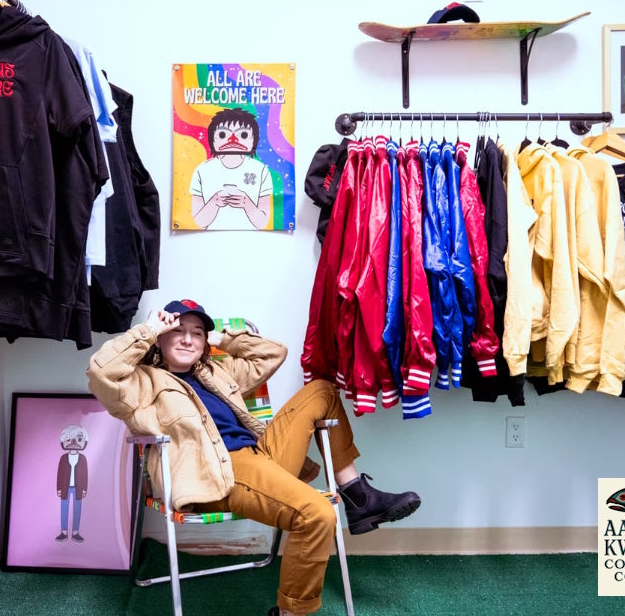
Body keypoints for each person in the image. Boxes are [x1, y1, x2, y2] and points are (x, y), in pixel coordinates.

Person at [86, 299, 421, 616]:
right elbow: (100, 372)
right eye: (178, 331)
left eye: (196, 333)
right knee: (317, 513)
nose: (188, 339)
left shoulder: (216, 372)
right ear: (161, 339)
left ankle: (357, 495)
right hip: (219, 472)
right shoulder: (140, 383)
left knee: (322, 391)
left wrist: (221, 338)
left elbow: (274, 353)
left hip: (260, 455)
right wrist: (147, 331)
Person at [190, 108, 274, 230]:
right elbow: (198, 222)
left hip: (253, 237)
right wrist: (214, 202)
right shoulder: (202, 170)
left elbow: (263, 223)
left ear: (253, 139)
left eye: (243, 135)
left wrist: (247, 203)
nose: (233, 140)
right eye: (222, 135)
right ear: (212, 139)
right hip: (209, 237)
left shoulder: (261, 170)